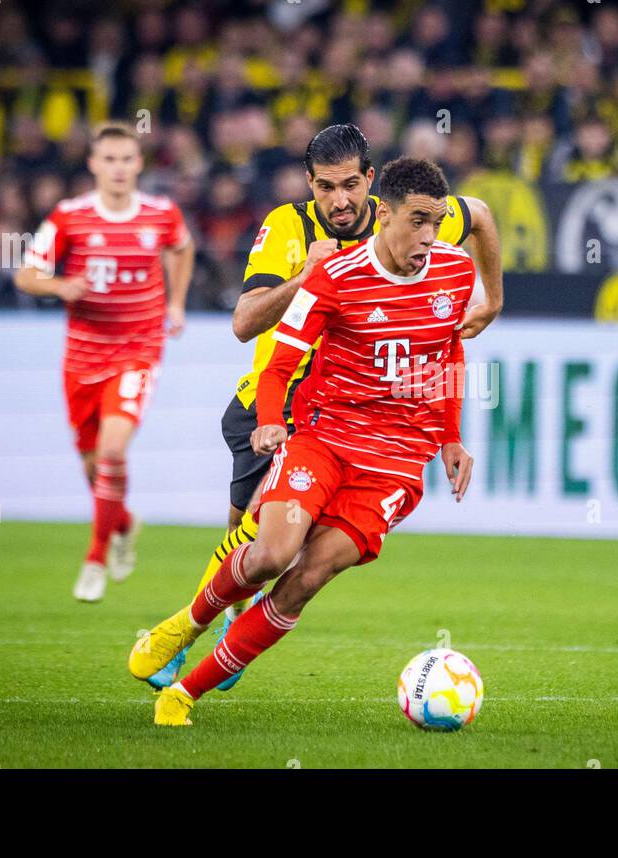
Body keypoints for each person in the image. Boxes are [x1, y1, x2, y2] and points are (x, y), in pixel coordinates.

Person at [142, 124, 501, 691]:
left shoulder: (413, 215)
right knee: (253, 540)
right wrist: (303, 277)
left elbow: (478, 213)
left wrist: (494, 301)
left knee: (284, 550)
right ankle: (201, 628)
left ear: (372, 185)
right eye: (327, 187)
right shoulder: (289, 226)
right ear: (309, 184)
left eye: (351, 185)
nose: (340, 200)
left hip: (350, 412)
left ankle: (201, 643)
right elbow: (244, 322)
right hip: (276, 400)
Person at [13, 122, 194, 602]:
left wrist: (176, 304)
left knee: (114, 451)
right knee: (96, 470)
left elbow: (182, 245)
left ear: (139, 164)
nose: (118, 168)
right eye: (108, 159)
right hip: (82, 359)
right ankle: (125, 524)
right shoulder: (70, 217)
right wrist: (58, 286)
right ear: (93, 164)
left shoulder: (161, 212)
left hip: (138, 350)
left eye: (126, 159)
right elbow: (26, 273)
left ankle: (94, 559)